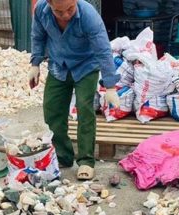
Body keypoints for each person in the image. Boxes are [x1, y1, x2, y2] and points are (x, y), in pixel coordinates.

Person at [29, 0, 120, 180]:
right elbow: (38, 36)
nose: (65, 15)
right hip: (58, 65)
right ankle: (62, 155)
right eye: (59, 12)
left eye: (70, 9)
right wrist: (35, 63)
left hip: (86, 66)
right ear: (49, 4)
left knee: (85, 109)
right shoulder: (41, 10)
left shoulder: (88, 15)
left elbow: (103, 50)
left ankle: (86, 160)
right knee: (52, 110)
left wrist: (110, 86)